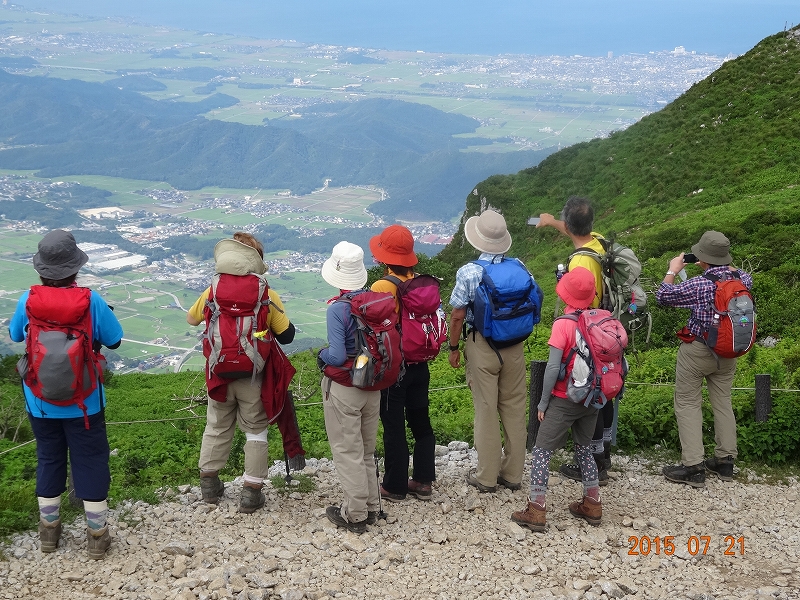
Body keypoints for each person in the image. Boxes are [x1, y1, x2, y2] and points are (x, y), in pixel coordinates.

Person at [10, 229, 123, 559]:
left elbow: (16, 335)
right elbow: (115, 340)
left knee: (49, 457)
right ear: (76, 268)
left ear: (41, 269)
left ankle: (49, 531)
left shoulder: (28, 299)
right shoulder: (91, 300)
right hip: (85, 401)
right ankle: (97, 535)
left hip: (39, 400)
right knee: (91, 459)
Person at [187, 232, 296, 513]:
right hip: (253, 375)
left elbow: (191, 319)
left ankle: (209, 485)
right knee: (256, 430)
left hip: (219, 373)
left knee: (216, 426)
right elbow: (287, 335)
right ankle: (251, 492)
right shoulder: (266, 294)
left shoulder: (212, 291)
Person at [656, 231, 752, 487]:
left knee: (688, 403)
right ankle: (725, 461)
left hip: (698, 350)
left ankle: (693, 467)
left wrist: (673, 270)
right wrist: (721, 263)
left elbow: (663, 296)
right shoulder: (743, 279)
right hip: (729, 352)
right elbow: (739, 274)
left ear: (702, 257)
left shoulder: (699, 284)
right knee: (723, 402)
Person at [511, 267, 603, 531]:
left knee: (542, 451)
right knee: (584, 448)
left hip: (565, 398)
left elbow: (552, 368)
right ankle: (593, 503)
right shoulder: (598, 320)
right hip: (592, 398)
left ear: (565, 295)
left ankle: (536, 509)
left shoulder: (563, 324)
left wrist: (543, 403)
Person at [448, 210, 531, 493]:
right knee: (514, 408)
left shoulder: (469, 272)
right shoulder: (519, 266)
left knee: (486, 409)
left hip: (483, 344)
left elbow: (457, 315)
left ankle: (486, 477)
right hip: (515, 345)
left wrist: (453, 347)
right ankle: (513, 474)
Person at [537, 196, 613, 485]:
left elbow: (583, 302)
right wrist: (551, 222)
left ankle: (594, 462)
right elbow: (575, 228)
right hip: (605, 329)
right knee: (602, 389)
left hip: (586, 333)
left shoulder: (580, 262)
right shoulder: (598, 241)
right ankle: (603, 454)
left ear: (569, 226)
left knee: (589, 390)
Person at [318, 241, 382, 534]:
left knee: (347, 450)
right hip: (373, 384)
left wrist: (322, 355)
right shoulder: (376, 302)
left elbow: (337, 355)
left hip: (345, 386)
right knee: (367, 450)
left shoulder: (338, 310)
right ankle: (372, 506)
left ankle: (355, 514)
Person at [369, 225, 436, 502]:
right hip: (420, 362)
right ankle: (423, 480)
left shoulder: (382, 286)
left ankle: (395, 485)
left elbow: (374, 325)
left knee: (393, 424)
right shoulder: (420, 283)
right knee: (421, 420)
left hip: (395, 367)